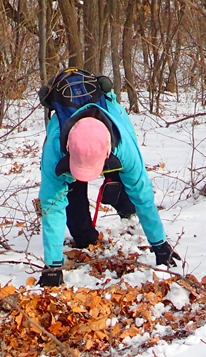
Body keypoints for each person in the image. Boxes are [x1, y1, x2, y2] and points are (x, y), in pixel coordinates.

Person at [37, 74, 178, 286]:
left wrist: (160, 244)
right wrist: (52, 266)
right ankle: (85, 232)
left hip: (111, 148)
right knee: (79, 229)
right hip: (73, 156)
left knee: (128, 196)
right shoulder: (54, 150)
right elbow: (52, 206)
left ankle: (119, 197)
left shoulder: (124, 146)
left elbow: (143, 195)